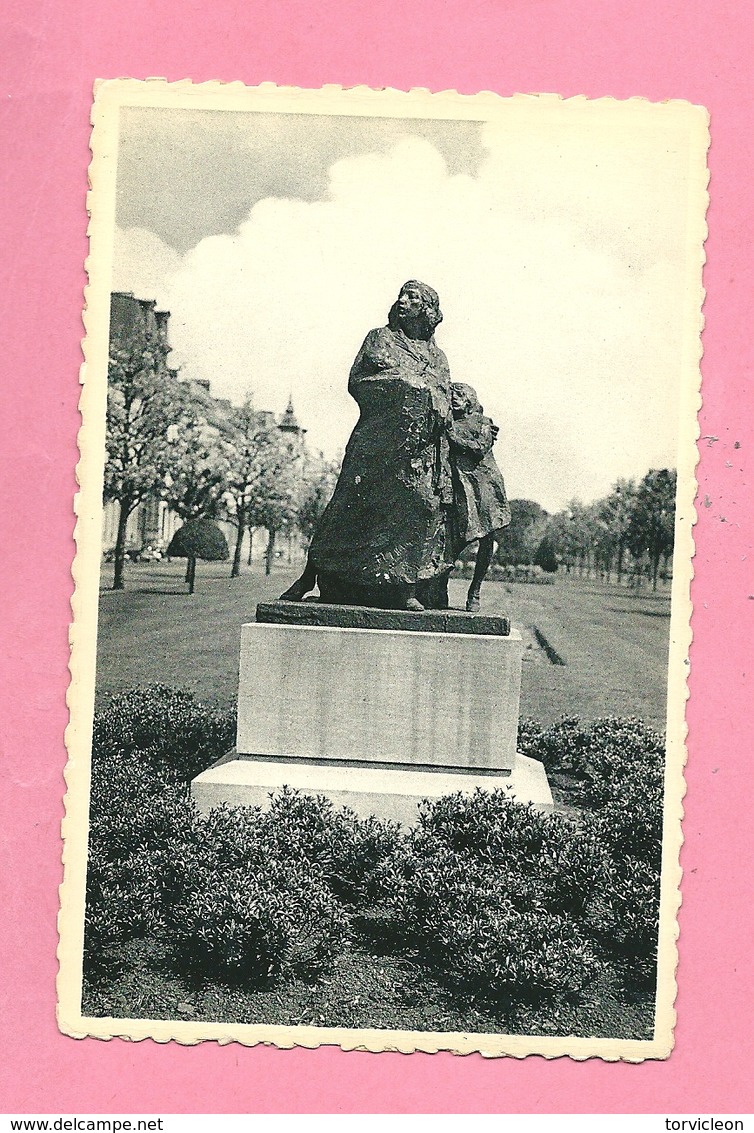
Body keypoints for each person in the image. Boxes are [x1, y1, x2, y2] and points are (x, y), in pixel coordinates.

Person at [280, 281, 456, 610]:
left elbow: (444, 395)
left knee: (416, 509)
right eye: (401, 295)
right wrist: (403, 384)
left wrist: (434, 402)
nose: (402, 301)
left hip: (416, 451)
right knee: (347, 508)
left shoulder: (438, 356)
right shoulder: (380, 338)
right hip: (374, 444)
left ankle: (405, 590)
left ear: (427, 310)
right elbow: (357, 381)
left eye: (412, 297)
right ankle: (309, 576)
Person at [448, 381, 511, 611]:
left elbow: (479, 448)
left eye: (460, 395)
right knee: (454, 538)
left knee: (487, 538)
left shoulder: (483, 423)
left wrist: (451, 438)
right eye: (452, 395)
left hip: (485, 486)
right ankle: (440, 586)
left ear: (470, 400)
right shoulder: (448, 423)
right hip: (460, 486)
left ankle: (475, 591)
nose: (455, 399)